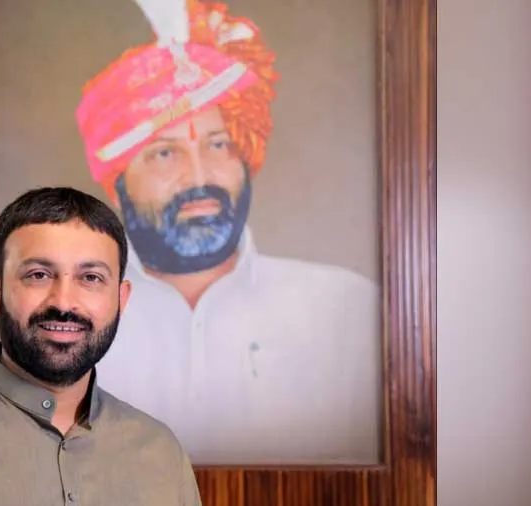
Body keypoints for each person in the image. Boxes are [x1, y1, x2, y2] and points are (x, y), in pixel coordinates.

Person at [74, 0, 381, 464]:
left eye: (219, 145)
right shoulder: (67, 327)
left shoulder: (350, 314)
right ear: (117, 183)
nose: (199, 177)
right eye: (164, 153)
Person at [0, 187, 202, 505]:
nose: (64, 303)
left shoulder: (161, 454)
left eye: (91, 278)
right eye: (38, 275)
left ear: (121, 299)